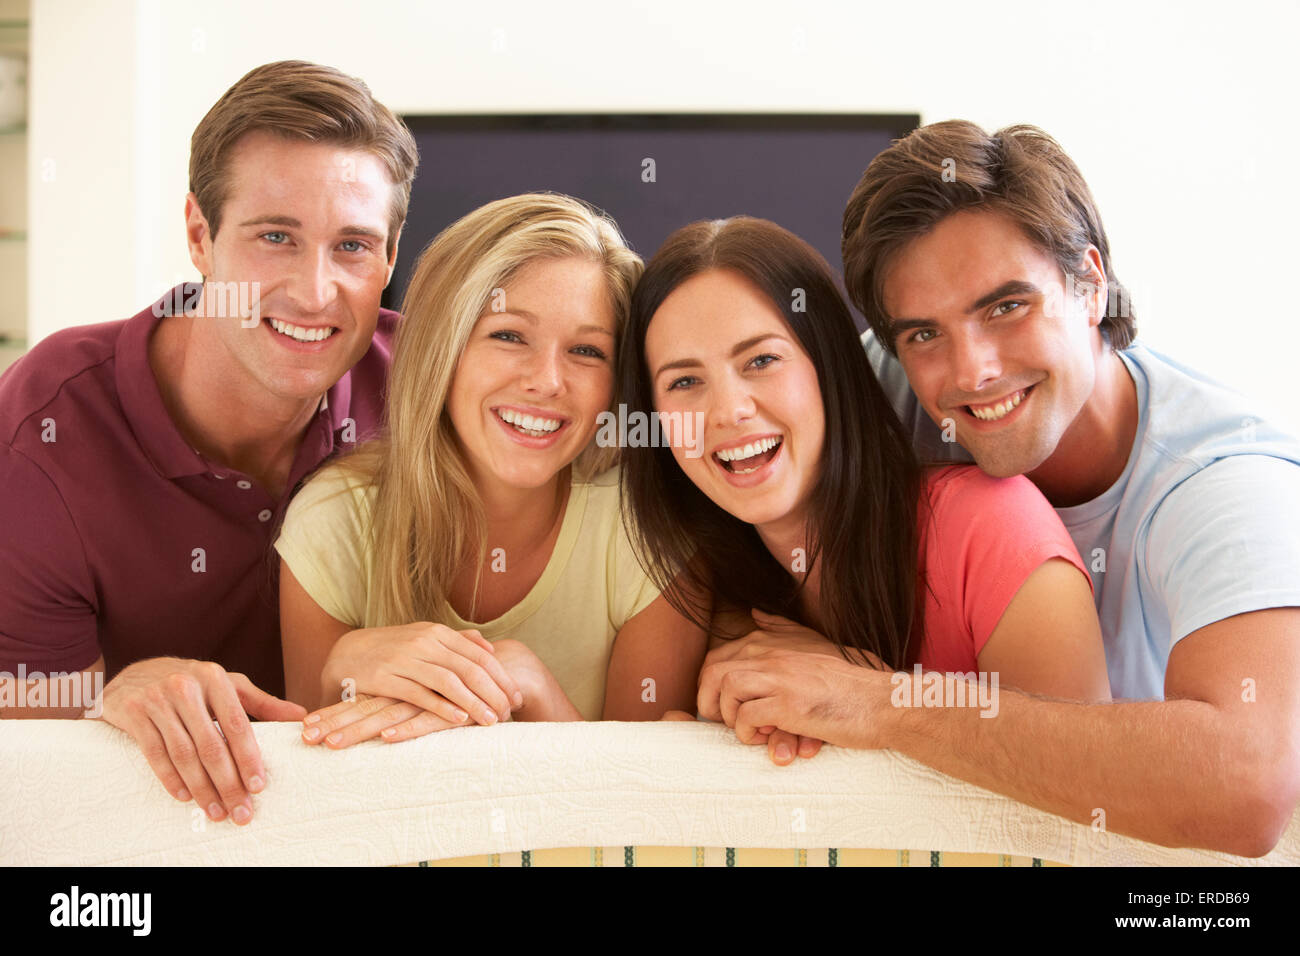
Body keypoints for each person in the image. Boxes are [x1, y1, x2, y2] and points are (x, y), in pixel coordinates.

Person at [699, 121, 1300, 856]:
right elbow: (709, 485)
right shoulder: (887, 394)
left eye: (1006, 307)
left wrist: (883, 703)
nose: (972, 371)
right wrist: (737, 635)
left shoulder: (1226, 483)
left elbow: (1247, 788)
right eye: (923, 334)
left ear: (1089, 284)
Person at [0, 60, 417, 826]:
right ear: (200, 235)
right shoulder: (46, 429)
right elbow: (19, 748)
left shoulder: (432, 390)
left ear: (390, 260)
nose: (314, 291)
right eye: (275, 237)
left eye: (353, 247)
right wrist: (108, 697)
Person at [617, 215, 1110, 765]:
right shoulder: (705, 587)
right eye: (684, 382)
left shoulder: (993, 526)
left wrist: (870, 694)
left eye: (762, 360)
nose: (729, 411)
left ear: (829, 366)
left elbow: (1086, 782)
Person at [276, 194, 709, 746]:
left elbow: (637, 816)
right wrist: (337, 671)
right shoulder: (335, 519)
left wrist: (532, 690)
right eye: (508, 336)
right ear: (443, 348)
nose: (547, 380)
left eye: (587, 351)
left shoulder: (651, 531)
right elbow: (315, 803)